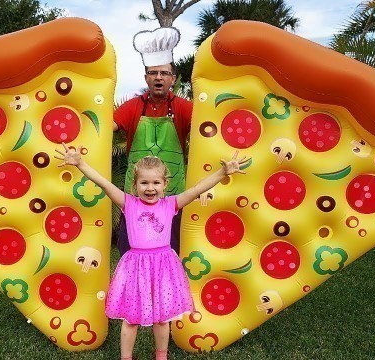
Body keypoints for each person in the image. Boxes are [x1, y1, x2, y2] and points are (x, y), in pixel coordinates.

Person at [54, 143, 249, 360]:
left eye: (156, 182)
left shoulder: (170, 204)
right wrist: (80, 164)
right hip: (135, 266)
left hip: (163, 267)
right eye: (144, 182)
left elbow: (197, 190)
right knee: (131, 318)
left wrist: (222, 172)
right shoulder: (128, 203)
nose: (150, 188)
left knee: (162, 318)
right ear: (135, 185)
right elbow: (104, 184)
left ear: (165, 184)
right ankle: (126, 357)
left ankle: (161, 355)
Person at [113, 27, 193, 257]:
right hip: (136, 198)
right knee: (130, 249)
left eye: (164, 73)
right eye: (153, 72)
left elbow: (209, 129)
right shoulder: (133, 107)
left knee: (170, 250)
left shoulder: (183, 108)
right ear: (146, 77)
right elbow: (103, 129)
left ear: (172, 79)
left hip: (170, 196)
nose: (159, 77)